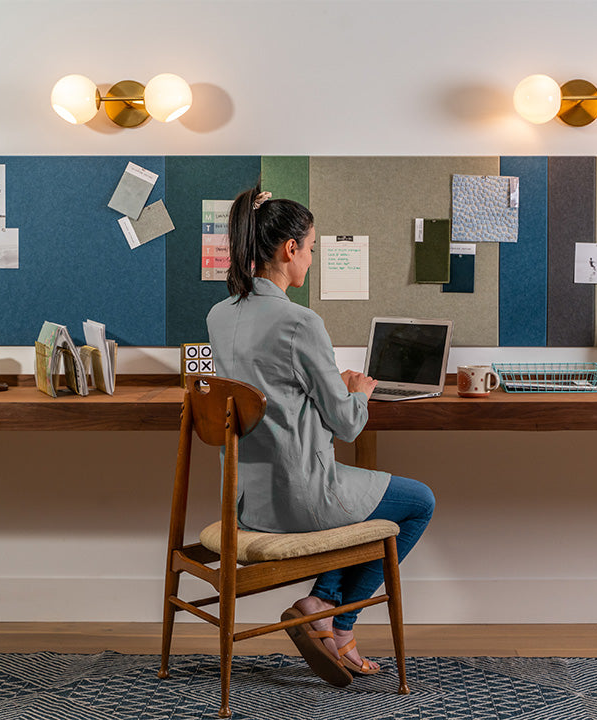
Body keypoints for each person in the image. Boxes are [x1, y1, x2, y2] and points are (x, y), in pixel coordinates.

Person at [206, 185, 435, 686]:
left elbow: (272, 393)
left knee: (371, 496)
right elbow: (348, 425)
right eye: (310, 248)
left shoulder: (219, 317)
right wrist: (359, 390)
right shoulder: (300, 322)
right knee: (418, 501)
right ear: (290, 250)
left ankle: (321, 605)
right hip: (300, 497)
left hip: (245, 500)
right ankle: (336, 618)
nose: (310, 258)